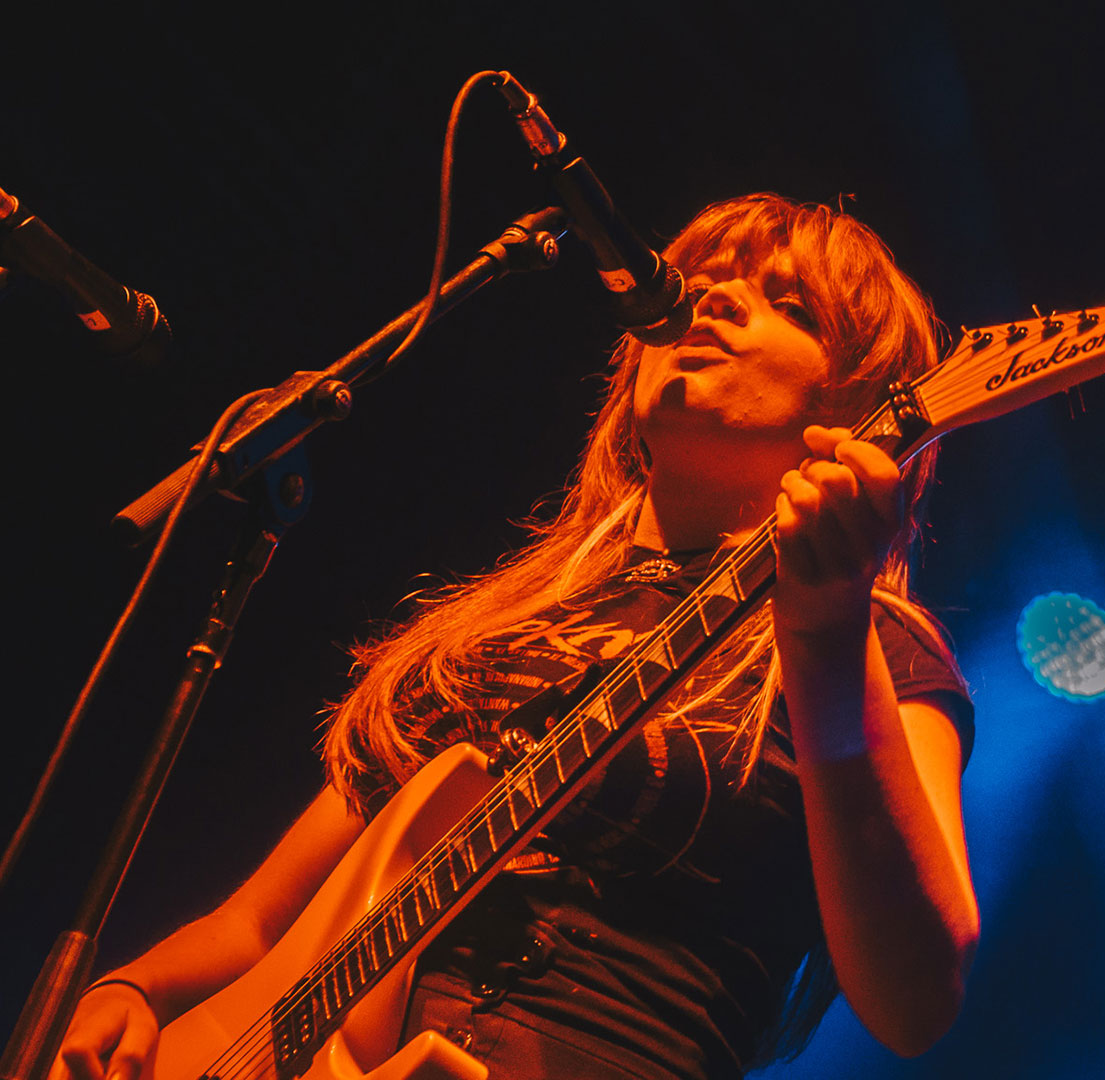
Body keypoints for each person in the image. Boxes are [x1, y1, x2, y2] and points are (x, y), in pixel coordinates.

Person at [53, 194, 980, 1080]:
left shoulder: (873, 642)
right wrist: (134, 986)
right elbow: (262, 925)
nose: (716, 296)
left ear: (855, 406)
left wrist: (827, 629)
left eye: (788, 303)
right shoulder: (496, 632)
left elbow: (916, 998)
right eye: (705, 277)